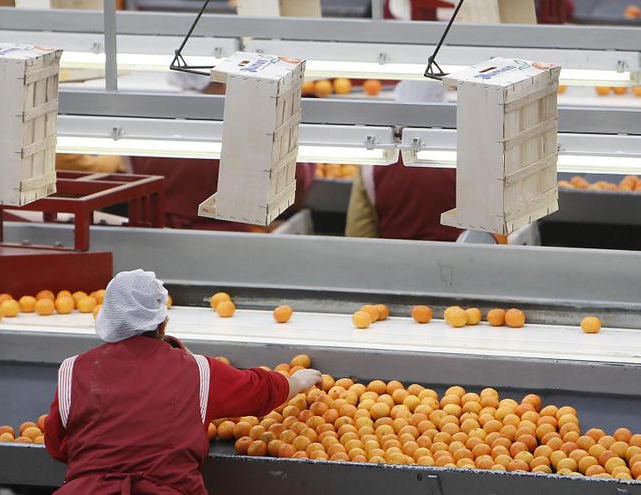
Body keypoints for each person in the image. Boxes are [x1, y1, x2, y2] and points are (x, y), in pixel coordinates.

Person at [44, 270, 322, 494]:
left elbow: (57, 445)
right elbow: (259, 390)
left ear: (109, 323)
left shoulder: (72, 369)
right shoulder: (197, 370)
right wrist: (297, 381)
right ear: (163, 324)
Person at [131, 72, 315, 232]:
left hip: (162, 237)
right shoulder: (244, 125)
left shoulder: (151, 125)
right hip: (226, 240)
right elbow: (296, 178)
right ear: (222, 81)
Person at [344, 81, 461, 241]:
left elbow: (358, 235)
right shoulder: (464, 159)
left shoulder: (375, 162)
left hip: (393, 261)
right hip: (458, 261)